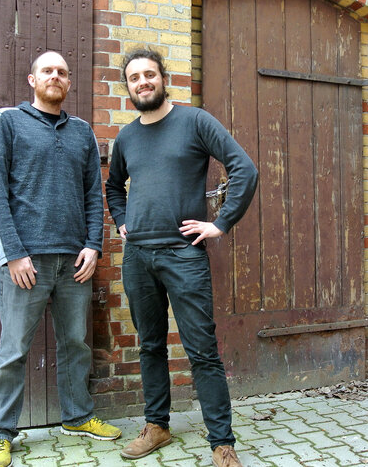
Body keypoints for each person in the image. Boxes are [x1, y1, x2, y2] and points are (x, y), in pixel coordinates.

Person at [105, 48, 258, 467]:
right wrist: (121, 219)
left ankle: (221, 444)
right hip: (138, 256)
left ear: (162, 77)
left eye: (149, 74)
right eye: (134, 77)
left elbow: (244, 168)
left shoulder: (194, 121)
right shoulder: (127, 136)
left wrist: (220, 223)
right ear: (128, 86)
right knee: (150, 345)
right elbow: (114, 186)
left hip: (183, 254)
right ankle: (157, 425)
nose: (143, 82)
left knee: (201, 349)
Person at [0, 51, 121, 467]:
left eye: (62, 72)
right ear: (32, 79)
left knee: (76, 343)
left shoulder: (81, 132)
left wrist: (93, 246)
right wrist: (13, 254)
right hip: (27, 263)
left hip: (74, 262)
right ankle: (1, 432)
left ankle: (77, 417)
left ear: (69, 82)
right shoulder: (8, 122)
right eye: (48, 71)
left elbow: (94, 197)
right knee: (14, 350)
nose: (55, 76)